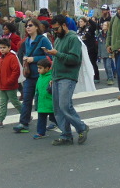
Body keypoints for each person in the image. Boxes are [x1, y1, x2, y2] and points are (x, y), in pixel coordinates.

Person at [43, 14, 89, 145]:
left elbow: (75, 59)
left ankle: (81, 127)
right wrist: (52, 76)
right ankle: (66, 135)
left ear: (64, 25)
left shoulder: (73, 39)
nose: (55, 32)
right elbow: (57, 59)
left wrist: (56, 53)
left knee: (64, 106)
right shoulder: (58, 39)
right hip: (57, 76)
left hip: (68, 76)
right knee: (57, 108)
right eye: (53, 29)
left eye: (56, 29)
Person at [13, 18, 52, 133]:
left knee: (44, 99)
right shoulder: (26, 41)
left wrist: (33, 59)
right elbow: (22, 54)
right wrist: (25, 60)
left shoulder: (43, 40)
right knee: (26, 99)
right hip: (29, 75)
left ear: (36, 27)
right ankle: (24, 123)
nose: (28, 27)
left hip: (42, 76)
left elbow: (50, 56)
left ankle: (54, 120)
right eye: (26, 26)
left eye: (30, 25)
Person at [0, 39, 22, 128]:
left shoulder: (12, 57)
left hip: (10, 85)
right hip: (2, 85)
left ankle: (26, 115)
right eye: (0, 48)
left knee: (15, 102)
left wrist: (10, 81)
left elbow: (16, 71)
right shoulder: (1, 58)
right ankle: (0, 120)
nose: (2, 49)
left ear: (9, 48)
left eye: (4, 47)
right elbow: (0, 71)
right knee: (3, 104)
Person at [32, 58, 57, 139]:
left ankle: (66, 130)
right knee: (41, 119)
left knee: (55, 118)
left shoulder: (51, 77)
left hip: (50, 103)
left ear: (47, 68)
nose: (38, 70)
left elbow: (53, 89)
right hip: (42, 103)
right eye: (38, 68)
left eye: (40, 68)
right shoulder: (40, 77)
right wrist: (36, 101)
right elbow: (37, 90)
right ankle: (41, 132)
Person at [77, 17, 99, 83]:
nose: (80, 23)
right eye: (79, 21)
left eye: (81, 21)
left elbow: (95, 26)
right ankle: (87, 77)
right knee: (84, 64)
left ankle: (96, 77)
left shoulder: (89, 28)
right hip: (83, 49)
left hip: (91, 48)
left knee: (92, 63)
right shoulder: (79, 30)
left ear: (85, 22)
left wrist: (89, 19)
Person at [96, 21, 114, 85]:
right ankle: (108, 77)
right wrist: (99, 54)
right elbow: (99, 45)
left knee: (108, 66)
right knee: (105, 67)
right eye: (103, 25)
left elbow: (112, 44)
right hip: (103, 53)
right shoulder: (100, 34)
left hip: (109, 52)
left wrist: (111, 52)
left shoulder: (110, 35)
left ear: (108, 26)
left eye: (105, 25)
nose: (103, 26)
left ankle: (110, 78)